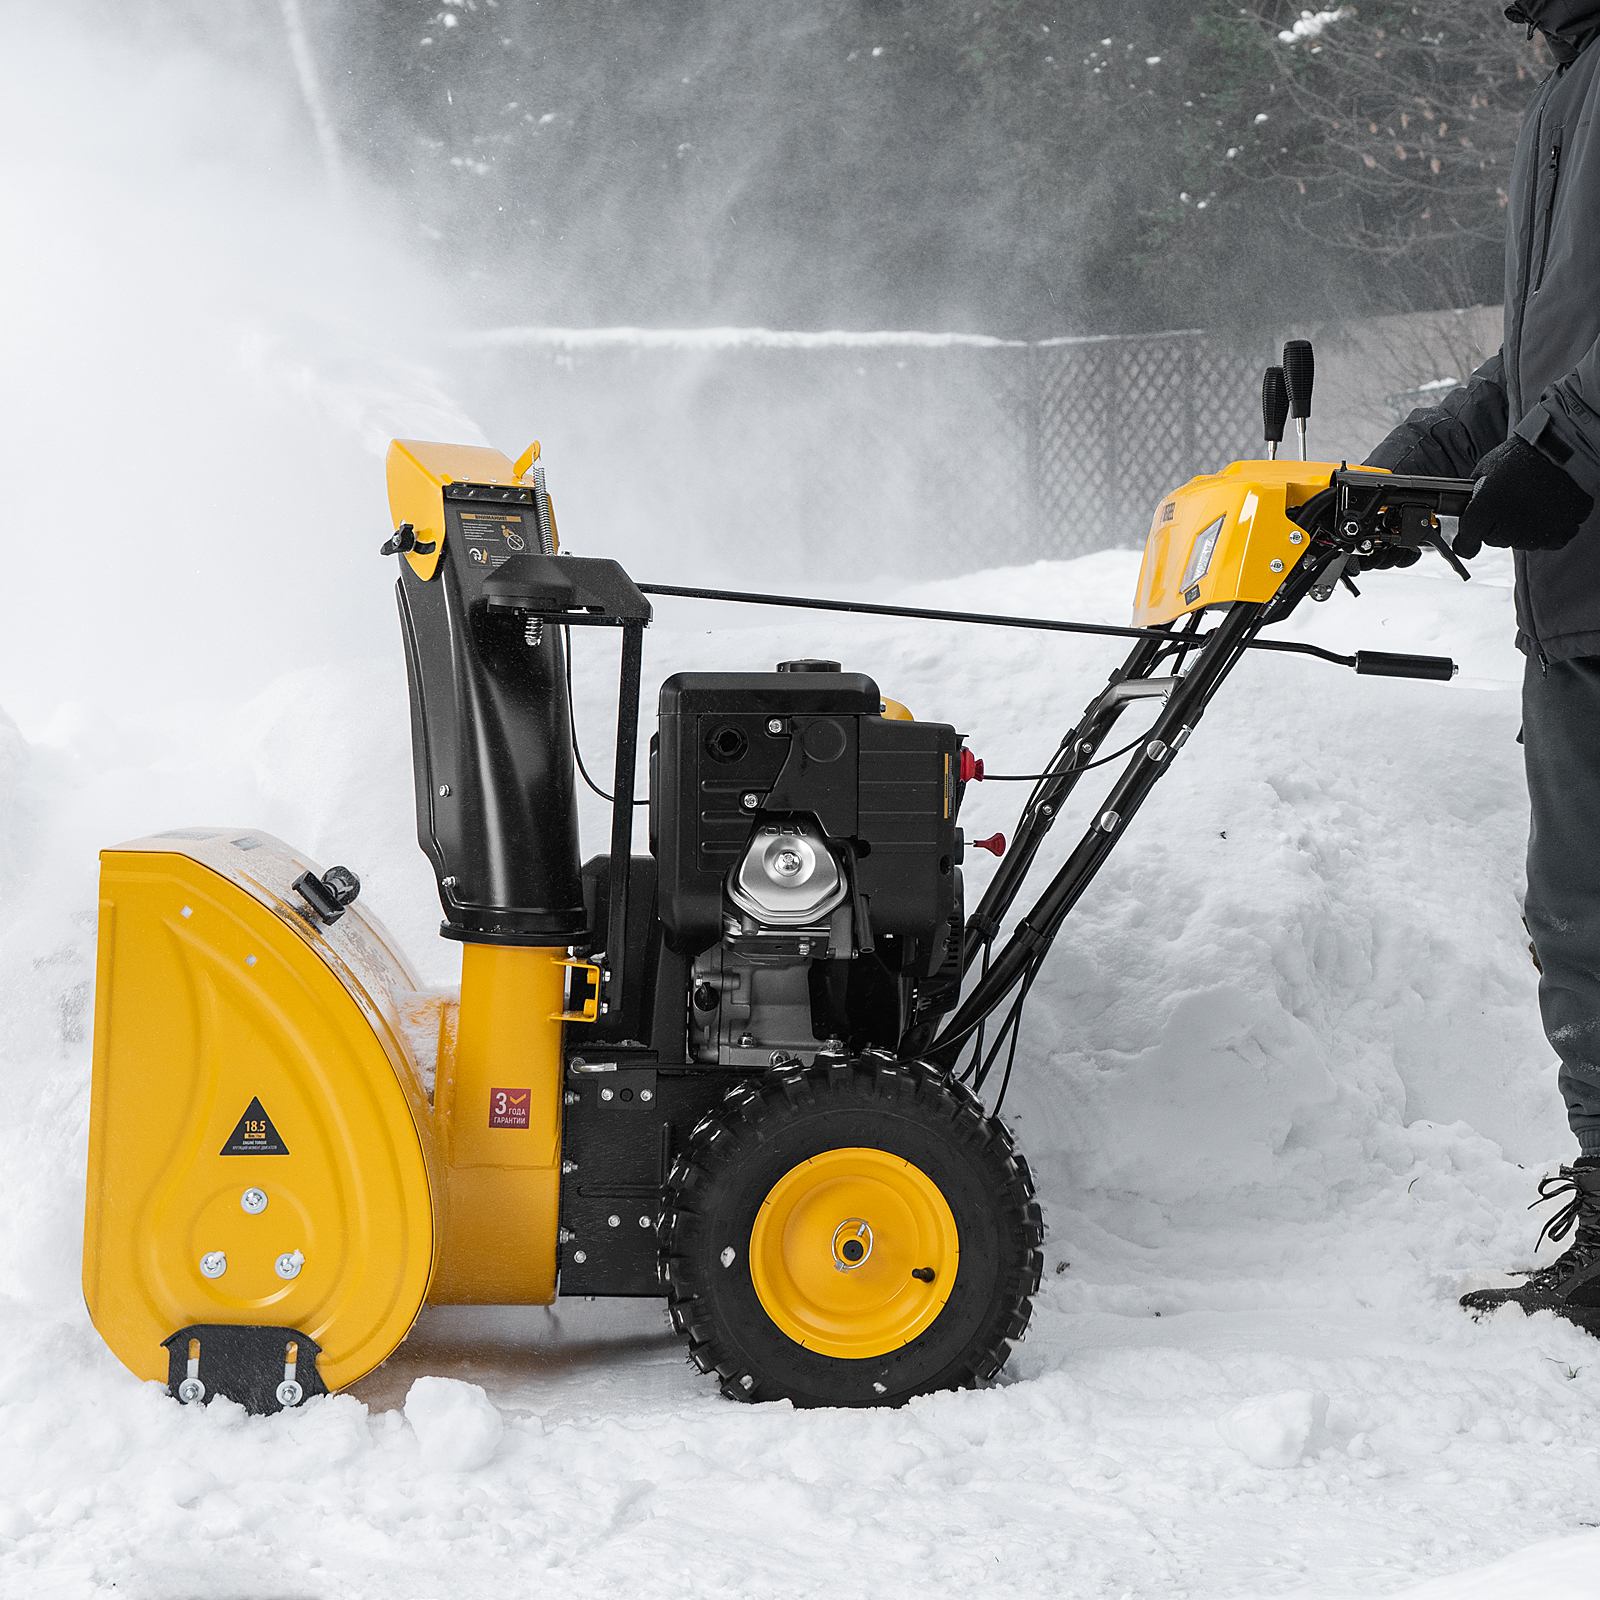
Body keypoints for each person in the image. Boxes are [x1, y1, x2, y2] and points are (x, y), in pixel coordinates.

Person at [1364, 0, 1600, 1334]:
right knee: (1583, 924)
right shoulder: (1567, 92)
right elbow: (1547, 354)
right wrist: (1421, 457)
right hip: (1575, 598)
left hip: (1589, 558)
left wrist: (1567, 450)